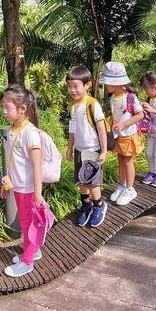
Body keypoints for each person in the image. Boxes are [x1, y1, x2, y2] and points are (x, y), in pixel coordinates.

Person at [1, 84, 44, 277]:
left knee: (28, 225)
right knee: (26, 222)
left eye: (7, 108)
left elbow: (37, 166)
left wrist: (38, 194)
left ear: (22, 109)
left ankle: (27, 261)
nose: (4, 111)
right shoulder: (13, 130)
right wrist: (7, 182)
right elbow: (12, 161)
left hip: (28, 189)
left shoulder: (30, 133)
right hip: (17, 186)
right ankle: (33, 251)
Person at [66, 66, 109, 228]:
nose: (72, 90)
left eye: (76, 86)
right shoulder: (72, 106)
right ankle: (86, 206)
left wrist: (103, 150)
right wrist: (70, 147)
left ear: (87, 85)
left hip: (93, 149)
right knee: (81, 181)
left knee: (93, 182)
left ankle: (99, 205)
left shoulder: (92, 104)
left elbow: (101, 128)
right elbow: (72, 129)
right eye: (70, 86)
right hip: (79, 150)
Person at [100, 61, 144, 206]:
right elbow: (115, 115)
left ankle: (130, 189)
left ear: (115, 83)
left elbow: (140, 115)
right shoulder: (113, 98)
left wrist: (124, 124)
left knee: (128, 161)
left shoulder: (129, 97)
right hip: (119, 136)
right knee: (121, 160)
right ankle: (122, 185)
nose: (105, 86)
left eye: (107, 83)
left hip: (129, 135)